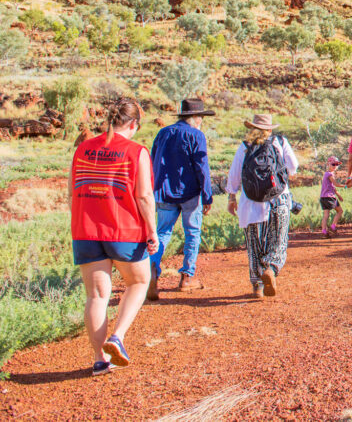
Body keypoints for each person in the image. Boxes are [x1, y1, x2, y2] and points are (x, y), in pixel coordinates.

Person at [69, 97, 158, 376]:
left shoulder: (83, 148)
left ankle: (99, 359)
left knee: (96, 296)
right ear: (133, 124)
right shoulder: (136, 151)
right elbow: (143, 196)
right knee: (139, 281)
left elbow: (71, 192)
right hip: (124, 230)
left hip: (85, 229)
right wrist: (153, 230)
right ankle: (117, 337)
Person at [147, 98, 215, 299]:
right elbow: (202, 167)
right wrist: (207, 196)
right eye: (201, 117)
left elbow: (152, 160)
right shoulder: (196, 135)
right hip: (190, 193)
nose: (201, 121)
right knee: (192, 233)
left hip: (163, 191)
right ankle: (187, 277)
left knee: (162, 233)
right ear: (196, 117)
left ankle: (153, 271)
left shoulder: (163, 133)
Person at [225, 114, 299, 299]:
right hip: (278, 198)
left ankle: (257, 285)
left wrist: (232, 197)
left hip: (251, 202)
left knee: (254, 243)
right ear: (270, 129)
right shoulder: (280, 142)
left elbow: (234, 175)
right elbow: (293, 167)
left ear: (252, 128)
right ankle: (271, 269)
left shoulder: (245, 147)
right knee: (279, 241)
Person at [320, 156, 342, 236]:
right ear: (329, 164)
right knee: (340, 211)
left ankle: (324, 231)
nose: (335, 166)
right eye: (333, 164)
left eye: (337, 164)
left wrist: (339, 195)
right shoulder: (329, 174)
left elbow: (333, 187)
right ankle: (333, 226)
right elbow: (336, 184)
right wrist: (346, 186)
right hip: (329, 197)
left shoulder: (327, 174)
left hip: (323, 197)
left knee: (326, 215)